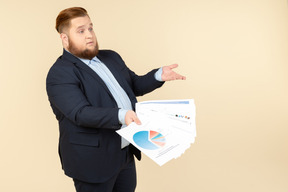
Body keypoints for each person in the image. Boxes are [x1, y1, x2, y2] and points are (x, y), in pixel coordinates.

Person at [46, 7, 186, 192]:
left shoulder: (111, 57)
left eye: (90, 28)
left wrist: (158, 76)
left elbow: (134, 85)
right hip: (92, 161)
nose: (89, 35)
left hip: (124, 153)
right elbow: (80, 113)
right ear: (65, 38)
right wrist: (122, 115)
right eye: (81, 31)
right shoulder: (60, 73)